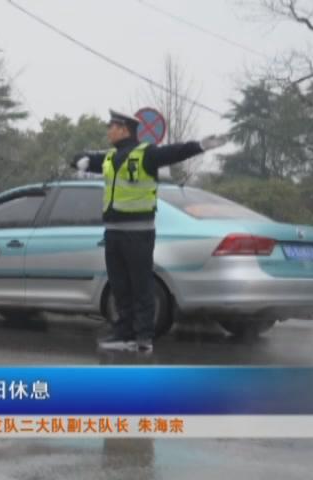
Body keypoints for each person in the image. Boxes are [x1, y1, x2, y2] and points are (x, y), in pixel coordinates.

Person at [71, 109, 227, 352]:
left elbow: (174, 152)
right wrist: (80, 160)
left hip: (138, 232)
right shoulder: (110, 157)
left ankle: (143, 337)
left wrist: (200, 146)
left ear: (124, 129)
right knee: (119, 286)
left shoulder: (146, 154)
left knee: (141, 285)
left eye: (112, 127)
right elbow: (81, 158)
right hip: (113, 232)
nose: (108, 131)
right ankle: (124, 334)